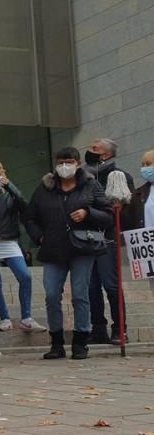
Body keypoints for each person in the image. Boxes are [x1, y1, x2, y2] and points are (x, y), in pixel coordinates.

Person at [25, 147, 112, 360]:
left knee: (80, 294)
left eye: (70, 161)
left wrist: (88, 212)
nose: (65, 166)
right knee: (52, 294)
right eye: (61, 161)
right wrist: (39, 237)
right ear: (55, 164)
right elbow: (30, 217)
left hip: (83, 247)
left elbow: (108, 215)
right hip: (53, 248)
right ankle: (56, 342)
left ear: (78, 163)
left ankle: (81, 340)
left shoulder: (91, 185)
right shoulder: (44, 188)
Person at [0, 161, 45, 332]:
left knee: (25, 276)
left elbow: (25, 207)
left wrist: (11, 187)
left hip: (9, 241)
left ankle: (27, 318)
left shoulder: (11, 195)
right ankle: (4, 318)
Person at [84, 138, 135, 345]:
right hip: (86, 237)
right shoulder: (83, 177)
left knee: (111, 285)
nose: (90, 150)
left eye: (95, 148)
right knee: (91, 286)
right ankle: (98, 328)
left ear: (106, 155)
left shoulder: (120, 176)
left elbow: (127, 210)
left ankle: (120, 328)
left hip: (108, 238)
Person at [124, 150, 154, 297]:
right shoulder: (139, 193)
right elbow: (127, 221)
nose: (145, 168)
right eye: (142, 165)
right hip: (150, 251)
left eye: (148, 164)